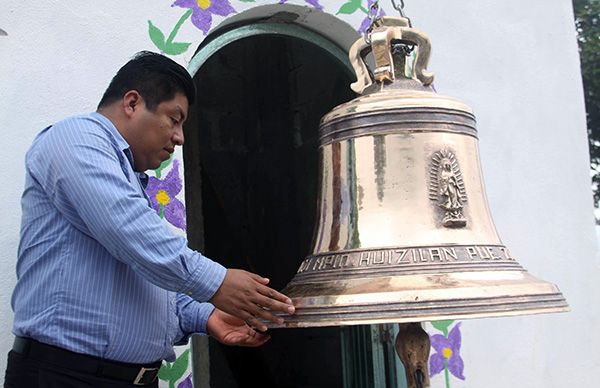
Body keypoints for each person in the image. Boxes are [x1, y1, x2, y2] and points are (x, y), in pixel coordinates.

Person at [4, 51, 295, 388]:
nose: (180, 137)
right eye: (175, 118)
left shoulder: (129, 178)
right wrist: (216, 282)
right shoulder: (75, 138)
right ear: (132, 103)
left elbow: (142, 283)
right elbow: (128, 231)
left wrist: (207, 314)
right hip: (67, 376)